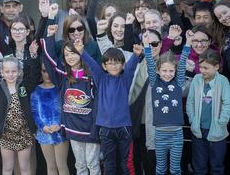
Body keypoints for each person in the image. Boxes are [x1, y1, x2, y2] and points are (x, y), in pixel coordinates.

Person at [41, 25, 99, 175]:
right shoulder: (64, 76)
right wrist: (49, 36)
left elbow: (99, 103)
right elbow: (49, 60)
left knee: (93, 165)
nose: (70, 57)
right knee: (80, 166)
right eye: (67, 55)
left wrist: (96, 127)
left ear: (80, 52)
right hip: (73, 129)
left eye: (73, 53)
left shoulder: (92, 74)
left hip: (91, 129)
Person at [80, 43, 143, 175]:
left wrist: (136, 54)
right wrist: (82, 51)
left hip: (123, 128)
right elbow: (92, 64)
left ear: (123, 65)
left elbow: (131, 66)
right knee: (109, 164)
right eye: (110, 63)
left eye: (117, 63)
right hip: (105, 129)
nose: (114, 66)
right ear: (104, 66)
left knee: (125, 163)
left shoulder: (125, 79)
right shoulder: (101, 78)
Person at [143, 29, 190, 175]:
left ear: (175, 71)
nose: (168, 74)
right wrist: (146, 45)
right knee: (160, 169)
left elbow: (182, 63)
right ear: (158, 71)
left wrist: (188, 43)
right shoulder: (154, 82)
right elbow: (150, 62)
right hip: (160, 134)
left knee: (175, 169)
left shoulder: (178, 82)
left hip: (176, 134)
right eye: (164, 71)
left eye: (171, 71)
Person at [0, 51, 34, 175]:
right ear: (2, 73)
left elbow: (35, 74)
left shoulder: (24, 86)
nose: (11, 74)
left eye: (14, 71)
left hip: (24, 133)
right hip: (5, 134)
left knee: (25, 167)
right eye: (7, 71)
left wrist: (33, 56)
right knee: (7, 167)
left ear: (19, 72)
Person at [186, 50, 230, 175]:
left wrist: (221, 122)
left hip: (217, 132)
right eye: (201, 67)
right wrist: (192, 120)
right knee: (199, 167)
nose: (202, 70)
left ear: (216, 67)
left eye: (206, 68)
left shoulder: (223, 81)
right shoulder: (196, 79)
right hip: (198, 131)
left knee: (217, 166)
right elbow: (190, 101)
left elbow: (228, 104)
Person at [31, 62, 69, 175]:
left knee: (61, 165)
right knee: (51, 166)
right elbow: (34, 112)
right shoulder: (36, 91)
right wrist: (42, 126)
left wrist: (60, 125)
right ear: (40, 72)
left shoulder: (60, 88)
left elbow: (66, 109)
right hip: (44, 132)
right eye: (44, 71)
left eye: (49, 71)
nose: (47, 74)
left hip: (60, 131)